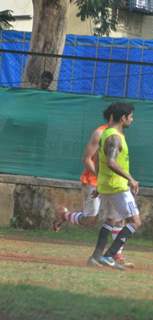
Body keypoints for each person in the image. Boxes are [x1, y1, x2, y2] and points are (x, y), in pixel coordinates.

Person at [52, 105, 133, 267]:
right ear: (114, 117)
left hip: (111, 184)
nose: (130, 119)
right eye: (128, 116)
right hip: (93, 181)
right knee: (91, 219)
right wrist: (100, 177)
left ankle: (115, 255)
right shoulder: (100, 133)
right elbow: (87, 159)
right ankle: (65, 216)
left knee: (118, 219)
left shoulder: (117, 134)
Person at [88, 102, 141, 271]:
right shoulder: (115, 137)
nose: (132, 119)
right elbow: (110, 162)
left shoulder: (106, 134)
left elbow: (97, 159)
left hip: (106, 186)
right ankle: (109, 256)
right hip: (118, 187)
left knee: (110, 220)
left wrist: (99, 183)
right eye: (131, 116)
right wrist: (131, 179)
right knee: (135, 221)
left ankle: (95, 257)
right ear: (123, 118)